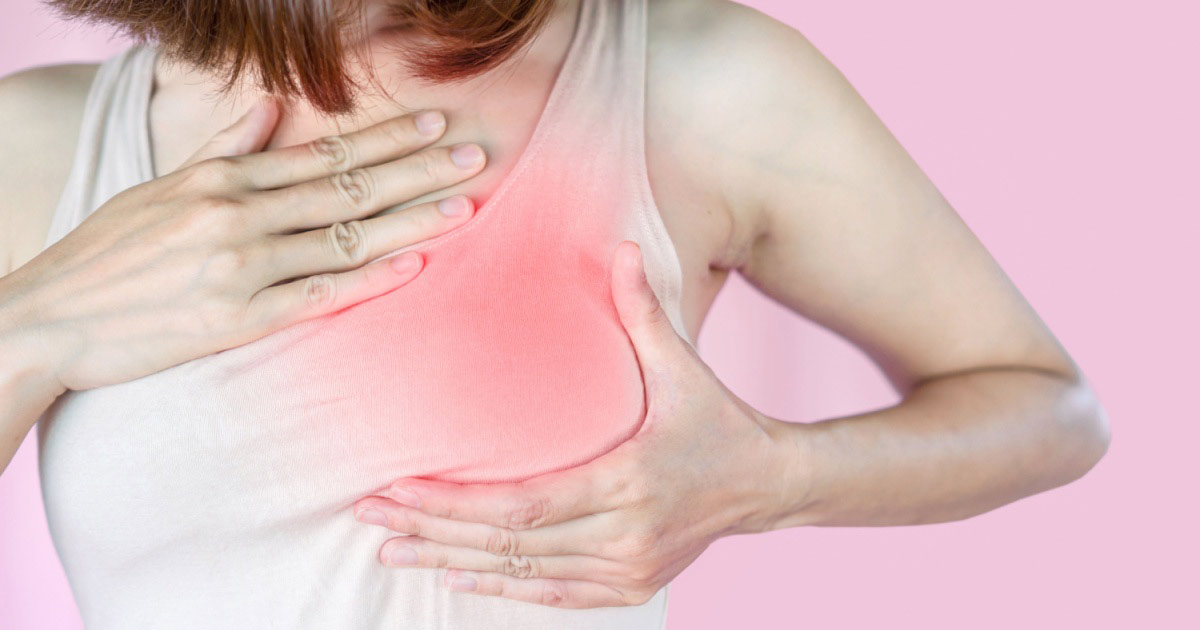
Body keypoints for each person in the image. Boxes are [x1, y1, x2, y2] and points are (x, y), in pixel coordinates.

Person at [0, 0, 1111, 627]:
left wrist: (775, 478)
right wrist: (37, 321)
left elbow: (1051, 410)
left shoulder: (694, 79)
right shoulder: (37, 143)